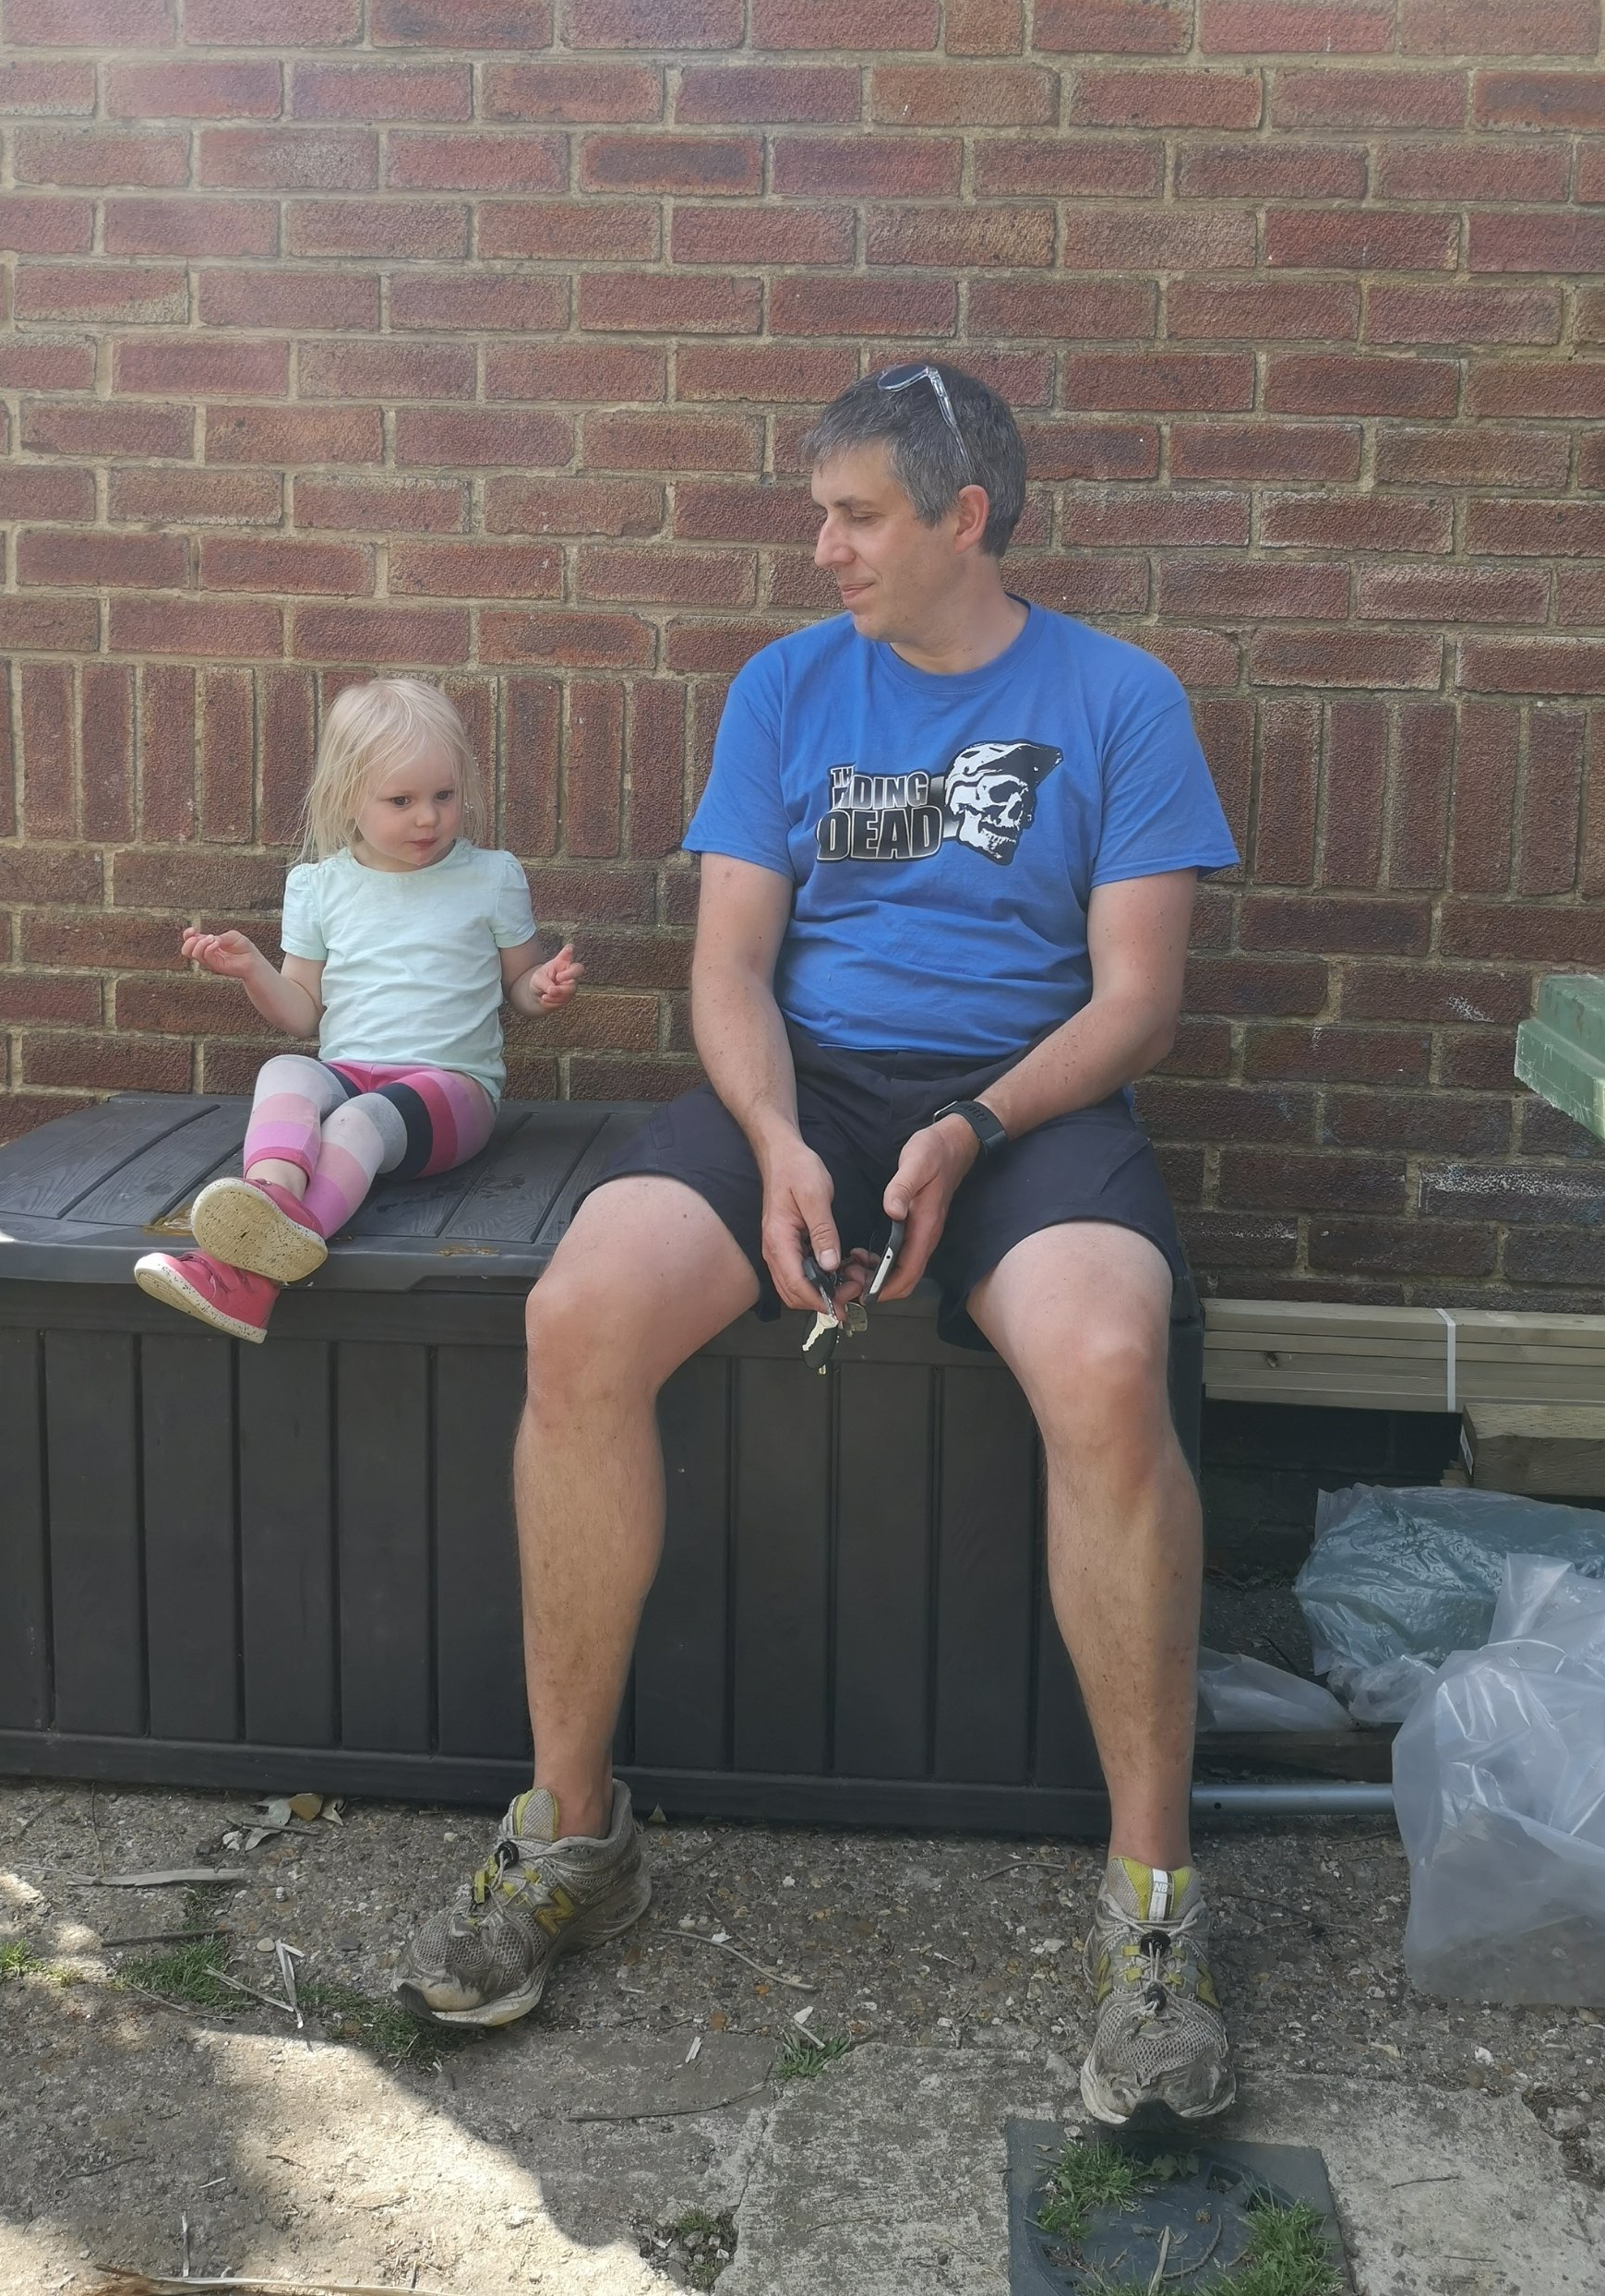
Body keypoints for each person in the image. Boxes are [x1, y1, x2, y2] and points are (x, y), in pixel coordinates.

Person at [394, 365, 1241, 2129]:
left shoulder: (1120, 700)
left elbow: (1139, 1002)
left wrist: (974, 1126)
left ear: (964, 517)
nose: (824, 547)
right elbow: (728, 968)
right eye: (821, 515)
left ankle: (1153, 1914)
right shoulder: (786, 687)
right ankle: (571, 1838)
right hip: (814, 1087)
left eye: (858, 516)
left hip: (1030, 1104)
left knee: (1108, 1364)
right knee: (581, 1314)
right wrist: (781, 1142)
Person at [135, 674, 581, 1342]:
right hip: (349, 1072)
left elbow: (517, 987)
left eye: (444, 796)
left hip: (451, 1090)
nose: (427, 818)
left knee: (358, 1119)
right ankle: (271, 1200)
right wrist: (253, 969)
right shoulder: (319, 887)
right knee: (285, 1071)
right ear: (348, 796)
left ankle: (243, 1269)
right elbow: (302, 1015)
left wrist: (540, 987)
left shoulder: (490, 877)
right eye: (401, 800)